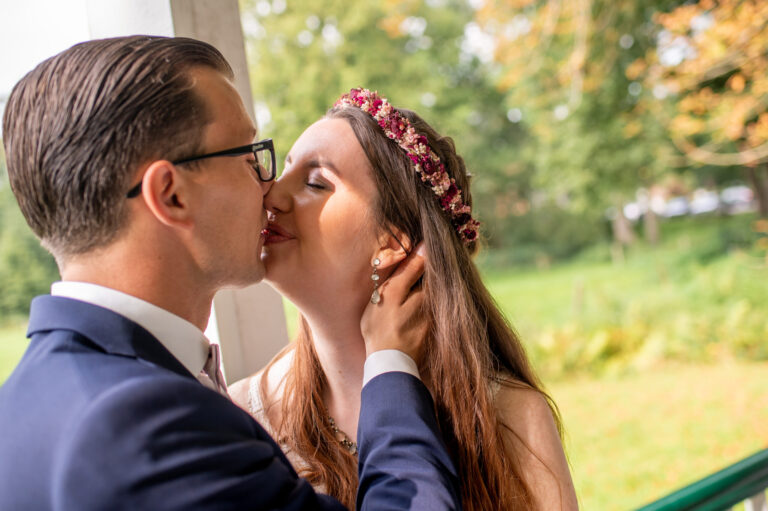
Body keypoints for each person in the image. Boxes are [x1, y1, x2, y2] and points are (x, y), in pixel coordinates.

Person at [0, 38, 462, 510]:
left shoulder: (20, 405)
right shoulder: (146, 424)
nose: (269, 188)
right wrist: (388, 367)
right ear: (172, 194)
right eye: (248, 157)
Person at [230, 88, 580, 511]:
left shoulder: (509, 419)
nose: (271, 196)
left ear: (394, 244)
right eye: (283, 171)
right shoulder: (242, 414)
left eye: (316, 183)